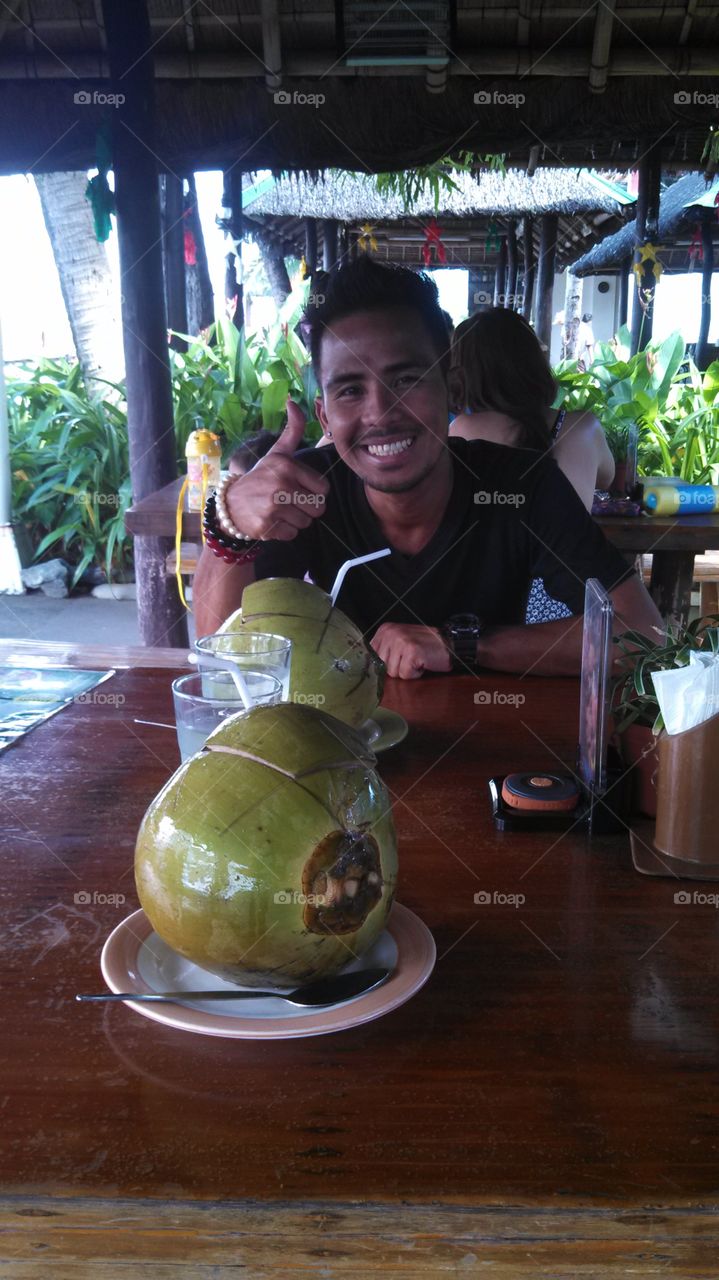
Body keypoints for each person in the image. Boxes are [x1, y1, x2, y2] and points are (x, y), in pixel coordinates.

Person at [194, 258, 661, 680]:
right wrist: (228, 524)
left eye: (406, 380)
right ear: (324, 416)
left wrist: (462, 645)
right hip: (341, 741)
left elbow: (643, 636)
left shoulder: (522, 484)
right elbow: (223, 656)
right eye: (351, 391)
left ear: (450, 389)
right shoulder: (308, 490)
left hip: (492, 743)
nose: (381, 413)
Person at [449, 309, 615, 624]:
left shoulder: (461, 430)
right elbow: (608, 480)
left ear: (464, 374)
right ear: (533, 363)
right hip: (570, 608)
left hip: (487, 606)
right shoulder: (583, 428)